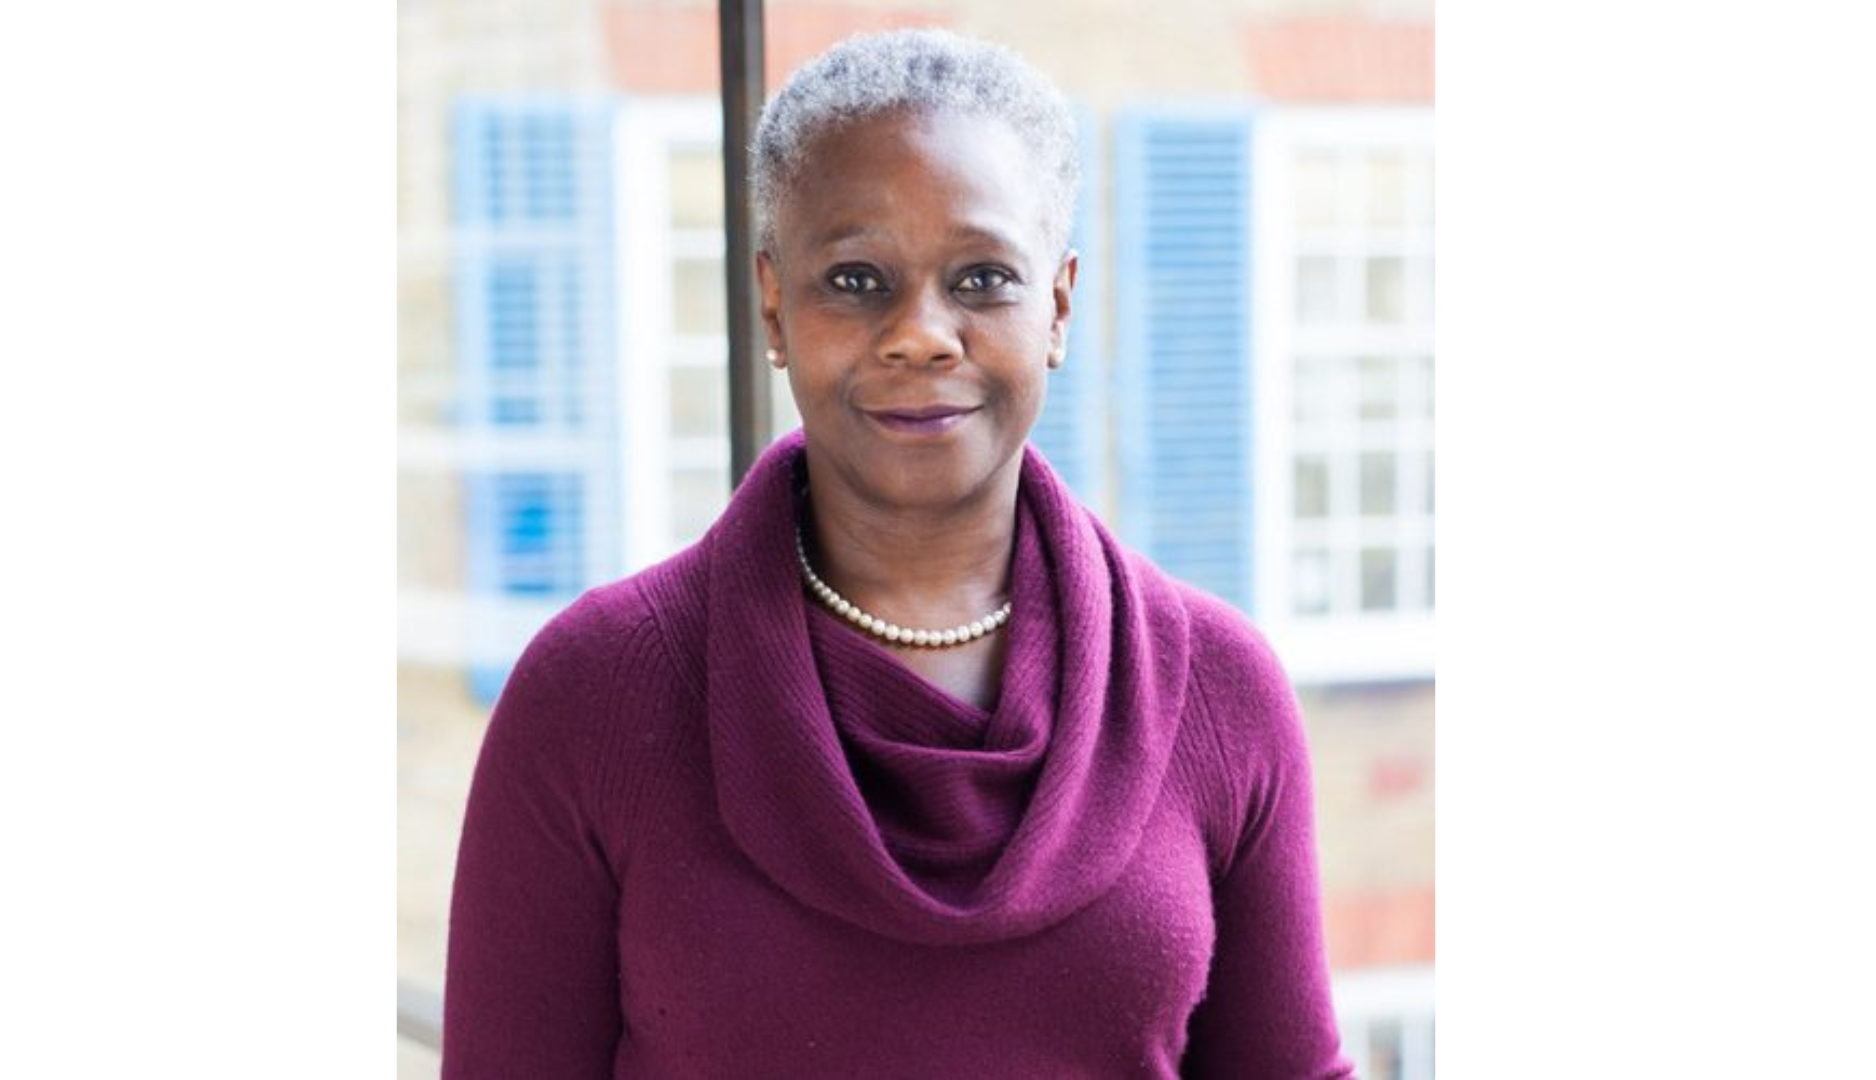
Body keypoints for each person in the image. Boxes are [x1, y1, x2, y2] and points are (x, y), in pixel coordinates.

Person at [442, 28, 1354, 1079]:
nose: (921, 333)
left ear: (1056, 305)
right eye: (858, 279)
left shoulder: (1220, 689)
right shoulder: (593, 696)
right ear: (775, 305)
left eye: (981, 278)